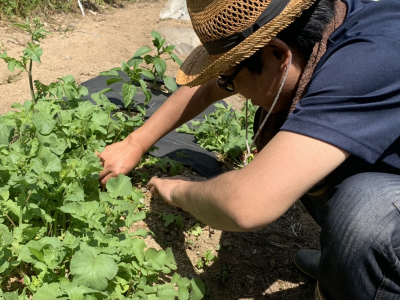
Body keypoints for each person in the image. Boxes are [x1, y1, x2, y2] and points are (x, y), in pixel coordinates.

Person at [97, 0, 400, 299]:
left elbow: (246, 205)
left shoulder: (368, 60)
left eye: (230, 80)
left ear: (278, 53)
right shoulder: (321, 30)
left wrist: (177, 191)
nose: (231, 89)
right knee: (286, 127)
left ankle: (360, 264)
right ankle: (343, 262)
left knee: (367, 216)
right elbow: (206, 87)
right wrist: (134, 143)